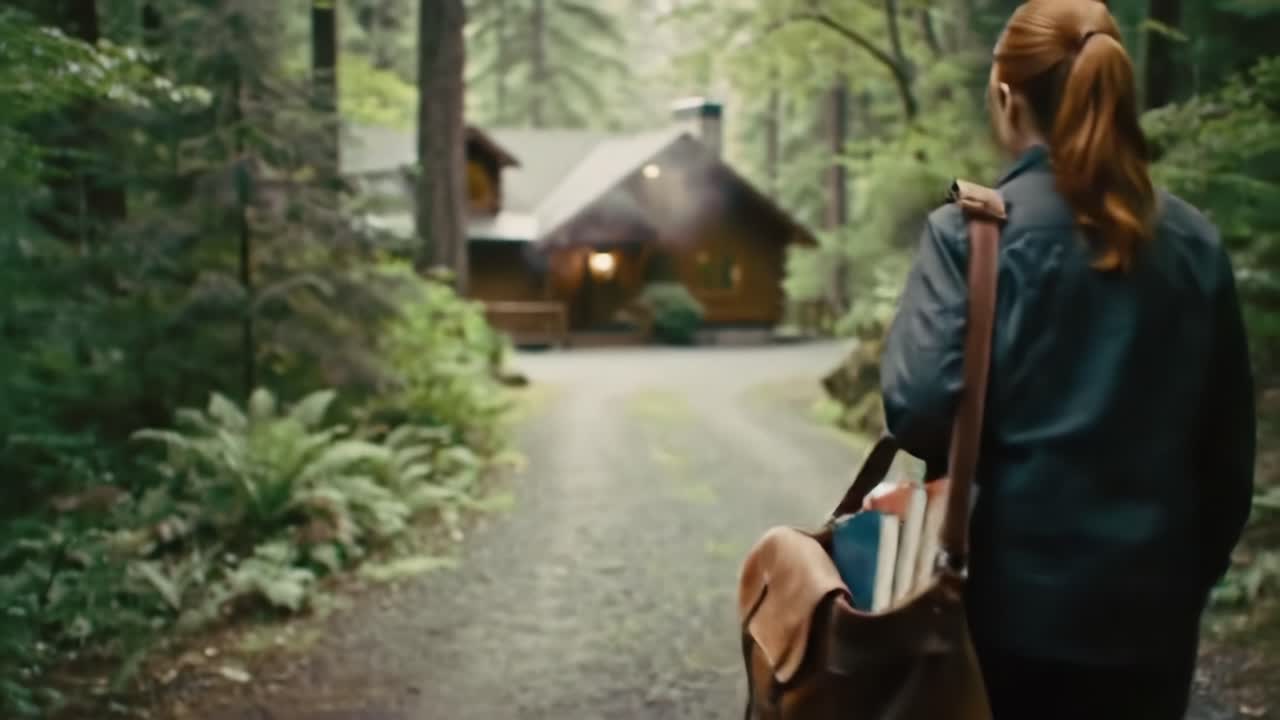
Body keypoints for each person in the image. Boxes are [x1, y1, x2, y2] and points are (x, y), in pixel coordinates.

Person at [874, 0, 1256, 717]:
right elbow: (1227, 460)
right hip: (1150, 620)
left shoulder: (970, 233)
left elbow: (919, 412)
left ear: (1006, 95)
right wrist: (1177, 583)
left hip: (1002, 614)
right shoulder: (1195, 242)